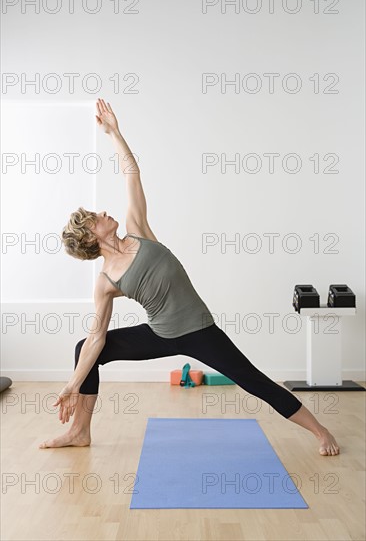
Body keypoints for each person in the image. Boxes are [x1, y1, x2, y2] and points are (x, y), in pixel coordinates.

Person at [39, 98, 340, 456]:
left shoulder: (138, 231)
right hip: (159, 335)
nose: (103, 212)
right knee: (82, 348)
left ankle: (321, 432)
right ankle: (79, 431)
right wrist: (72, 384)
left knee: (252, 380)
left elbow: (131, 174)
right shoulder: (106, 282)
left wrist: (115, 134)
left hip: (199, 332)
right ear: (91, 238)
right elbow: (96, 338)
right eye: (95, 217)